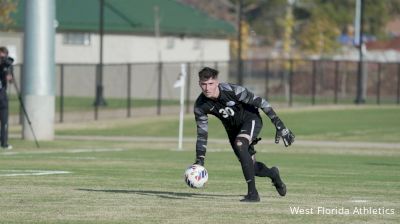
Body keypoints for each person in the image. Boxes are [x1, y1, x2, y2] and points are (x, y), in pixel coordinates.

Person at [193, 67, 295, 202]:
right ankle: (273, 174)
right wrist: (200, 160)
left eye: (210, 84)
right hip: (233, 130)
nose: (207, 88)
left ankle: (253, 194)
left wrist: (279, 124)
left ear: (217, 82)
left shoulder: (233, 90)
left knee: (240, 144)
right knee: (253, 168)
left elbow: (262, 102)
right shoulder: (200, 106)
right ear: (199, 84)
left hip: (251, 119)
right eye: (204, 84)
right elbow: (202, 134)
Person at [0, 46, 14, 150]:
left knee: (4, 121)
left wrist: (9, 75)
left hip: (2, 96)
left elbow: (10, 81)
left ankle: (4, 143)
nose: (2, 59)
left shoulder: (7, 65)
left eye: (4, 57)